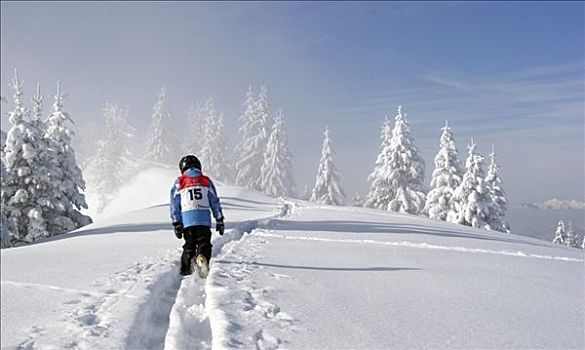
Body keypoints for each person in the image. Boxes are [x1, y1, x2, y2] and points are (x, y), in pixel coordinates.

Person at [170, 155, 225, 277]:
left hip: (187, 220)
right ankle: (202, 257)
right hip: (204, 219)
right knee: (204, 243)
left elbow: (174, 204)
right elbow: (214, 201)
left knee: (189, 245)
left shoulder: (179, 182)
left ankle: (185, 270)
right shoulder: (206, 181)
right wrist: (219, 219)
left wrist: (176, 222)